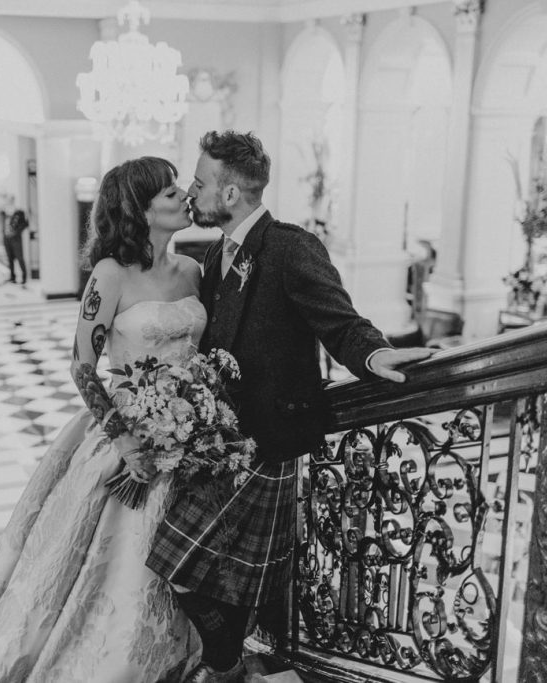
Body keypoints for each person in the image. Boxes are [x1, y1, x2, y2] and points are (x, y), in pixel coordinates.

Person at [0, 156, 201, 683]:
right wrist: (125, 438)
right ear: (138, 208)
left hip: (190, 441)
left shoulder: (193, 271)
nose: (183, 196)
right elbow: (83, 366)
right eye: (169, 191)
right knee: (115, 571)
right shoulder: (110, 276)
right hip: (125, 440)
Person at [146, 130, 434, 683]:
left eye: (201, 182)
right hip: (220, 447)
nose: (191, 191)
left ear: (230, 195)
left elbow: (339, 321)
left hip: (269, 443)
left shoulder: (288, 246)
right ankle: (229, 663)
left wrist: (374, 355)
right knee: (189, 572)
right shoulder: (212, 254)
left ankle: (227, 664)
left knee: (193, 570)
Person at [4, 208, 29, 284]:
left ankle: (24, 277)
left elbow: (24, 226)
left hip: (16, 241)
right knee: (10, 259)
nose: (16, 217)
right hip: (8, 240)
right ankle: (12, 277)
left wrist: (14, 233)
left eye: (18, 216)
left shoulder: (23, 223)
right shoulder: (10, 218)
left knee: (20, 259)